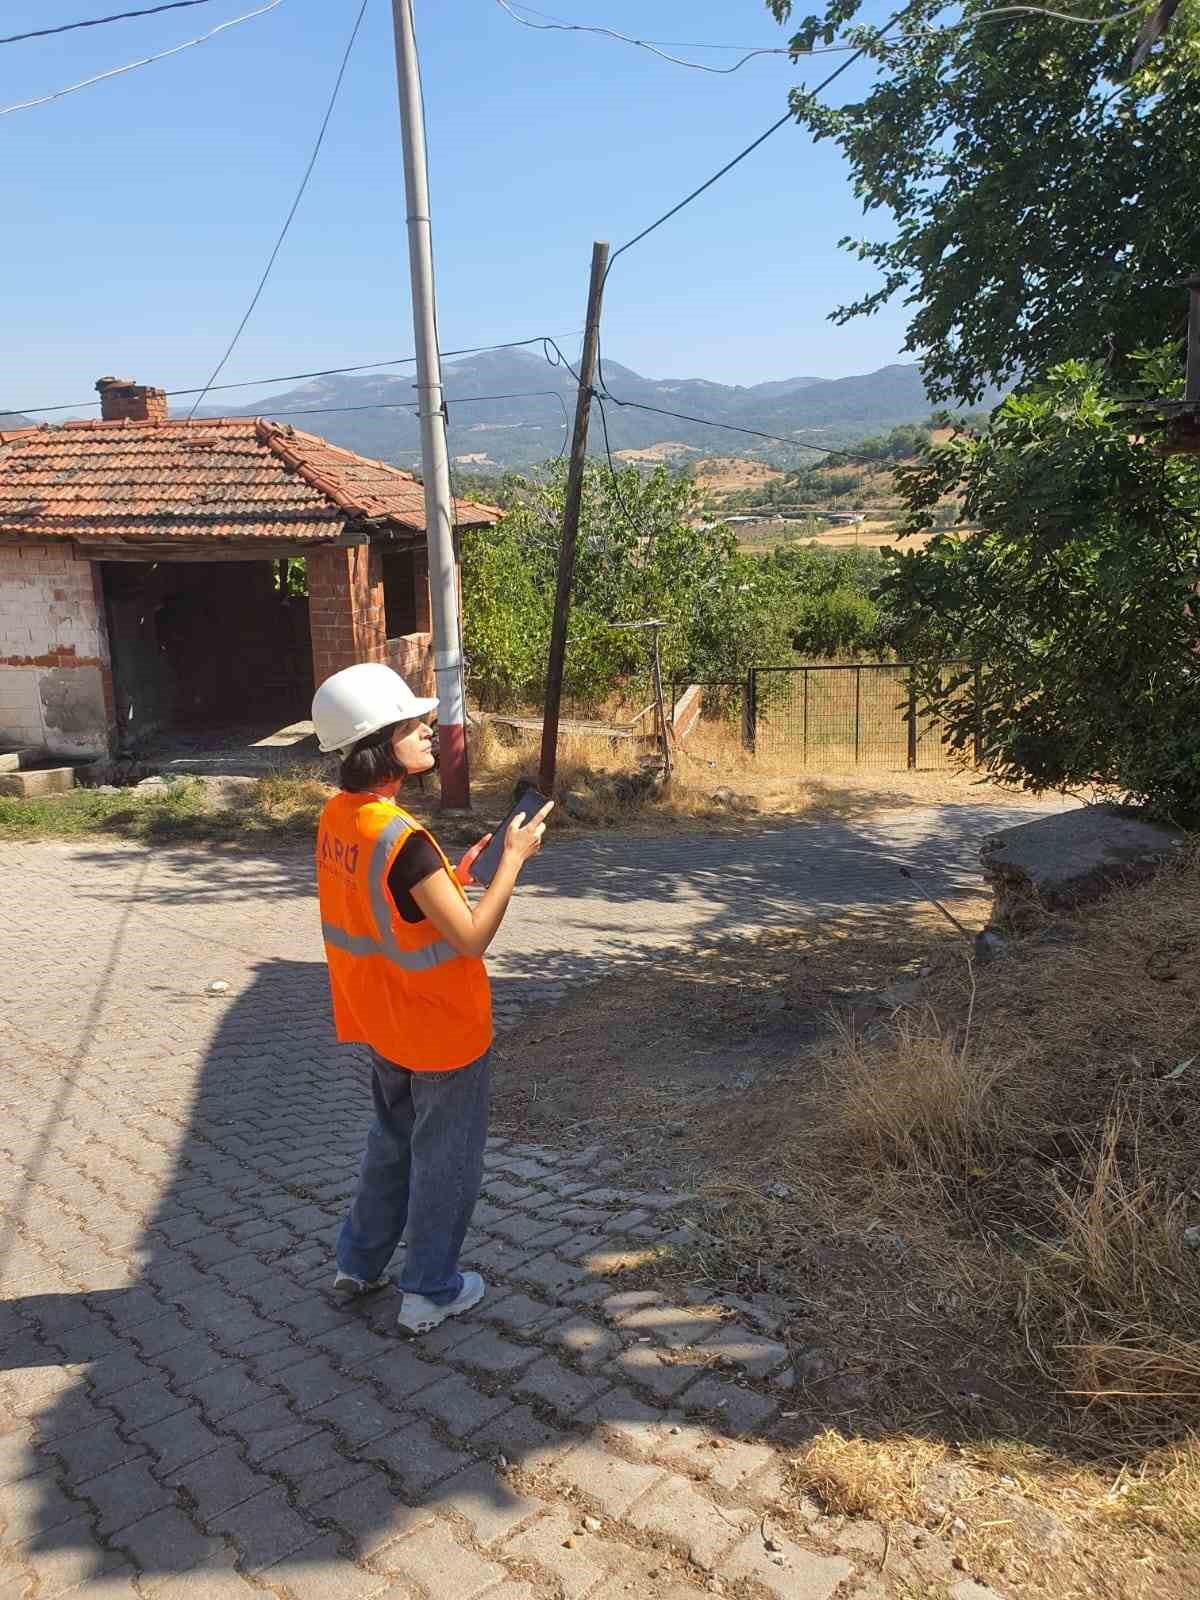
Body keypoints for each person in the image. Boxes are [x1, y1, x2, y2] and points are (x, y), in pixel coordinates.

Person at [310, 662, 552, 1335]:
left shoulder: (341, 818)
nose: (427, 731)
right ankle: (429, 1292)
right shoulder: (404, 841)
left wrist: (461, 869)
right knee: (444, 1159)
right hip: (441, 1031)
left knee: (389, 1145)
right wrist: (513, 860)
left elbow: (393, 906)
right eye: (412, 725)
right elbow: (470, 938)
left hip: (383, 1023)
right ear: (381, 744)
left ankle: (357, 1265)